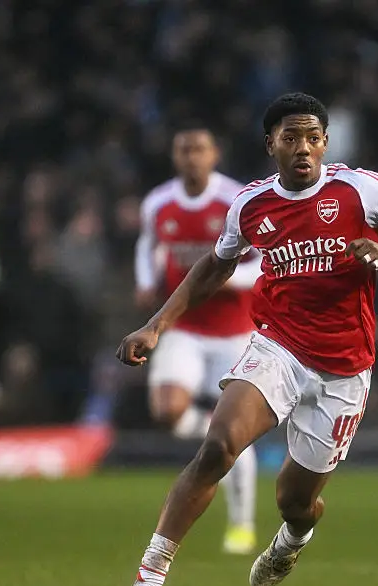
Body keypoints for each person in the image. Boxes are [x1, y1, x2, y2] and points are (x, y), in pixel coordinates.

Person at [114, 93, 378, 586]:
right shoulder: (251, 205)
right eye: (291, 138)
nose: (304, 148)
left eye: (314, 137)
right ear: (270, 143)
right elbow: (214, 265)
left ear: (325, 143)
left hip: (345, 367)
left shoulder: (359, 188)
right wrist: (156, 324)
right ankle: (147, 583)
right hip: (278, 346)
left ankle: (294, 537)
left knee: (295, 501)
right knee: (217, 447)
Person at [135, 125, 262, 555]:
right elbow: (147, 244)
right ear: (175, 156)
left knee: (234, 433)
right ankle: (212, 431)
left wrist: (230, 279)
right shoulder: (158, 202)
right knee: (168, 410)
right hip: (184, 328)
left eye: (199, 149)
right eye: (183, 149)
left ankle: (242, 525)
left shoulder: (237, 199)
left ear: (214, 154)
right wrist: (145, 278)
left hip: (235, 331)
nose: (191, 156)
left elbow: (264, 261)